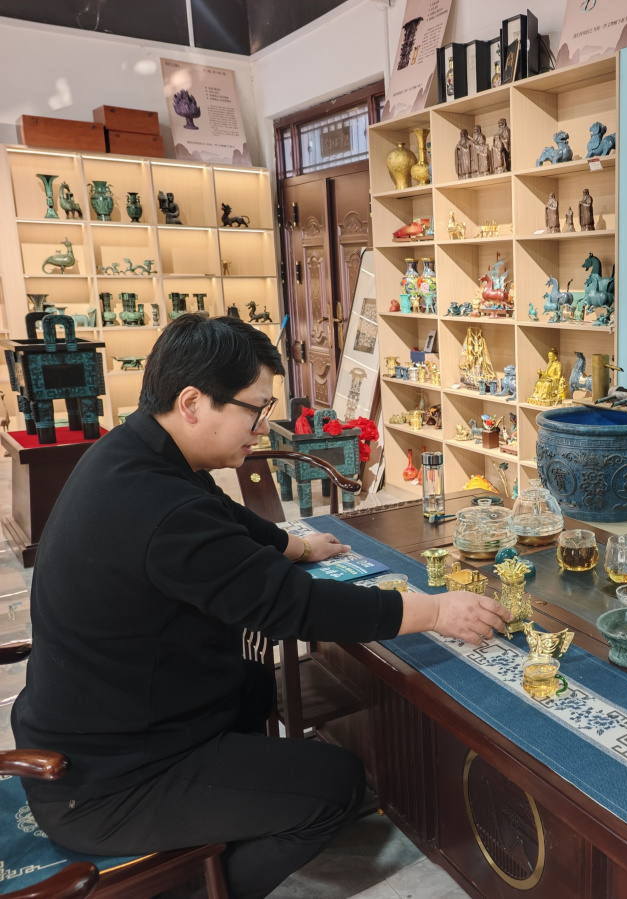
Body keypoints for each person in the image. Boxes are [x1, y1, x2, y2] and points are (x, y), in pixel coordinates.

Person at [11, 315, 511, 899]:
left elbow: (218, 512)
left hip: (104, 732)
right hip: (110, 782)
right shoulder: (159, 506)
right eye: (255, 409)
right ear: (192, 403)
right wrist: (433, 612)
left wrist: (294, 545)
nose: (262, 427)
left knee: (253, 686)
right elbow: (292, 606)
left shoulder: (136, 452)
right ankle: (198, 888)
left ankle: (232, 810)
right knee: (336, 784)